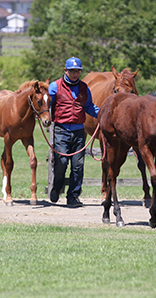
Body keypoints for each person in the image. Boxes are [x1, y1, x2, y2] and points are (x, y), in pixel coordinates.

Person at [49, 57, 100, 207]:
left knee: (78, 166)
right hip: (61, 130)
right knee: (61, 162)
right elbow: (46, 106)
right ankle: (57, 188)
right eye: (72, 71)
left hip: (79, 131)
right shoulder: (54, 87)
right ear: (65, 70)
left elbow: (89, 107)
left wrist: (103, 114)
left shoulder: (85, 88)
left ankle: (73, 197)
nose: (75, 74)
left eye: (77, 71)